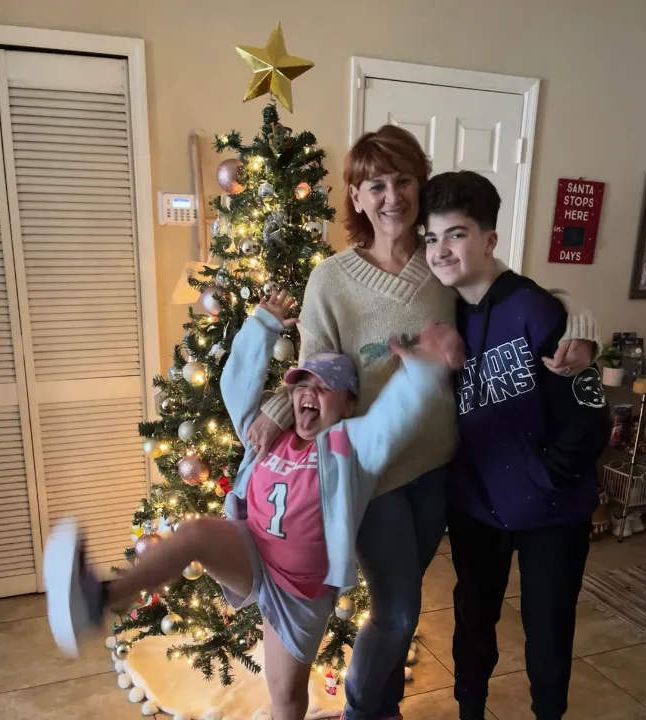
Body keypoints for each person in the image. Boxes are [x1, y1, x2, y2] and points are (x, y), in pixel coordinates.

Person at [247, 126, 600, 720]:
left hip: (439, 470)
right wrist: (278, 409)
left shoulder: (440, 266)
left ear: (420, 185)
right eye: (375, 185)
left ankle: (385, 708)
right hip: (374, 473)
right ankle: (367, 711)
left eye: (403, 180)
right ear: (356, 197)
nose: (392, 197)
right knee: (399, 611)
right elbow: (314, 365)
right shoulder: (331, 279)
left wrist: (580, 323)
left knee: (407, 606)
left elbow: (510, 291)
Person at [43, 290, 463, 720]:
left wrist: (425, 368)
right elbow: (236, 385)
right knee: (195, 534)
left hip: (298, 591)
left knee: (286, 697)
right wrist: (262, 324)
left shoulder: (348, 446)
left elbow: (393, 420)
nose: (310, 394)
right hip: (252, 551)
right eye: (303, 386)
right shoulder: (268, 433)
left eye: (324, 388)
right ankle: (100, 598)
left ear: (348, 403)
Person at [421, 170, 611, 720]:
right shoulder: (442, 314)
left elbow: (590, 419)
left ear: (489, 240)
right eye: (431, 238)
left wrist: (548, 477)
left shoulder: (538, 310)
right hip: (475, 507)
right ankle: (470, 711)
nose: (441, 250)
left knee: (548, 631)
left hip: (553, 511)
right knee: (472, 622)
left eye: (456, 234)